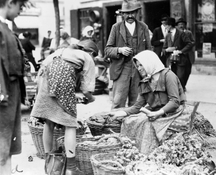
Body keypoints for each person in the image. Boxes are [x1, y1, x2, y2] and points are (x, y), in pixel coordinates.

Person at [30, 40, 98, 175]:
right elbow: (86, 89)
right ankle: (70, 168)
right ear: (91, 52)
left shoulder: (60, 51)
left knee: (49, 122)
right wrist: (90, 99)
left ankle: (50, 163)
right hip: (61, 80)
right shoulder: (87, 57)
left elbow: (42, 74)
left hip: (45, 82)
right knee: (70, 124)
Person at [109, 50, 186, 155]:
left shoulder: (168, 75)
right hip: (156, 111)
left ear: (150, 62)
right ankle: (131, 151)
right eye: (138, 66)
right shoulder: (145, 83)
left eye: (141, 65)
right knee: (129, 121)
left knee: (148, 126)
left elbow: (175, 102)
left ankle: (147, 154)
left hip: (173, 111)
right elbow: (137, 107)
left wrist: (156, 113)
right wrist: (119, 113)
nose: (139, 68)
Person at [105, 0, 151, 109]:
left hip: (139, 70)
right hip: (121, 69)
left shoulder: (143, 27)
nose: (130, 15)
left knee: (136, 103)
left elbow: (149, 50)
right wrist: (120, 50)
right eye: (127, 13)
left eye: (133, 12)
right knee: (118, 102)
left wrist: (148, 71)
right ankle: (115, 125)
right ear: (122, 14)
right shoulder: (116, 27)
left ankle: (132, 125)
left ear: (137, 13)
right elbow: (107, 50)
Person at [0, 0, 28, 174]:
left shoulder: (5, 27)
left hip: (11, 93)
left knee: (7, 145)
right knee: (2, 146)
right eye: (20, 6)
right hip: (4, 94)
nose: (21, 10)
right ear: (11, 3)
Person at [162, 17, 193, 91]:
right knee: (173, 77)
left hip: (181, 59)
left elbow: (189, 44)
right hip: (171, 60)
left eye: (166, 25)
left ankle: (181, 93)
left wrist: (181, 51)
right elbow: (164, 48)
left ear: (170, 25)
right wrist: (167, 50)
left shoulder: (181, 33)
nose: (165, 27)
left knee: (181, 76)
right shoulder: (168, 35)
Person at [176, 17, 195, 92]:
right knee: (180, 73)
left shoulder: (188, 33)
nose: (181, 26)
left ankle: (183, 85)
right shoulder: (176, 34)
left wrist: (189, 45)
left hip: (188, 55)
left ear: (185, 25)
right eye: (179, 24)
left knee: (187, 71)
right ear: (177, 25)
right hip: (179, 55)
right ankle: (181, 86)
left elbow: (193, 42)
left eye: (182, 24)